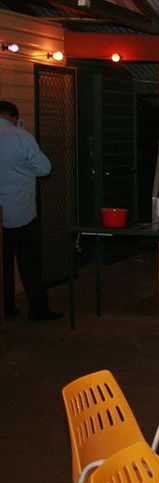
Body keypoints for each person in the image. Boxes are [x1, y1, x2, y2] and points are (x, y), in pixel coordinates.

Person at [0, 100, 60, 320]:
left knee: (2, 266)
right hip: (22, 212)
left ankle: (6, 307)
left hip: (0, 216)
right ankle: (38, 309)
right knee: (30, 264)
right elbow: (44, 169)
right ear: (14, 117)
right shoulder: (21, 137)